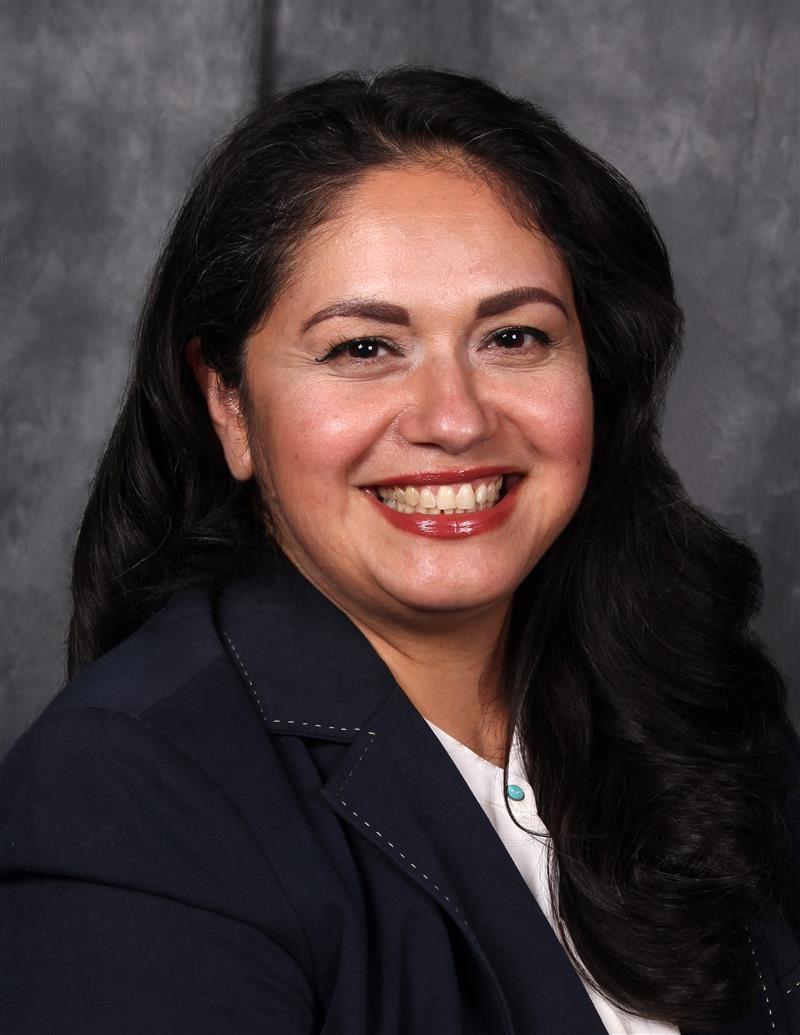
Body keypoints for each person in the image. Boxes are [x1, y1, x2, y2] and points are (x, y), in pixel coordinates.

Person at [1, 66, 798, 1035]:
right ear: (227, 404)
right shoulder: (127, 793)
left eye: (512, 336)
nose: (454, 420)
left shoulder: (685, 698)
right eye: (363, 350)